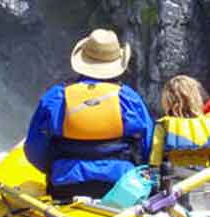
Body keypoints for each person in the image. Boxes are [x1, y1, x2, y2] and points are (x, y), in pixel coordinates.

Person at [24, 29, 155, 201]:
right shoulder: (129, 99)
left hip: (65, 187)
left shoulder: (57, 97)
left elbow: (34, 150)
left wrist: (54, 169)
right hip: (121, 189)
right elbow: (149, 148)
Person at [149, 75, 210, 169]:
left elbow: (155, 157)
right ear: (197, 98)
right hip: (205, 176)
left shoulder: (163, 125)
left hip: (177, 178)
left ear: (168, 100)